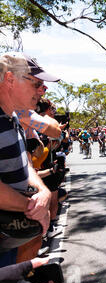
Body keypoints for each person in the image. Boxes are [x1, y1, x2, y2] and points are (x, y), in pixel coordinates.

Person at [0, 52, 59, 268]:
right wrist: (31, 208)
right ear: (9, 79)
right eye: (36, 84)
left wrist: (42, 193)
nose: (40, 91)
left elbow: (25, 162)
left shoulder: (14, 117)